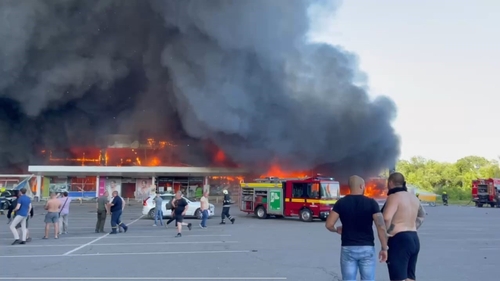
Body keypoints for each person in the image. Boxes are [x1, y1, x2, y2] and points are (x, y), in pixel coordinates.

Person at [325, 175, 388, 281]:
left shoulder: (341, 203)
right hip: (367, 248)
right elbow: (381, 227)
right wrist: (384, 248)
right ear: (361, 186)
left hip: (348, 248)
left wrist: (336, 229)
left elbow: (329, 224)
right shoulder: (371, 203)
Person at [382, 172, 425, 281]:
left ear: (390, 183)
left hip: (399, 240)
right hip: (414, 237)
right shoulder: (413, 198)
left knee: (398, 277)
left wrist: (387, 233)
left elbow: (386, 217)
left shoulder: (394, 197)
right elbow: (422, 215)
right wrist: (413, 225)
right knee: (409, 277)